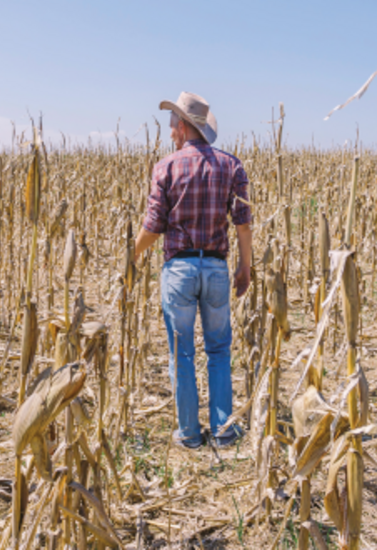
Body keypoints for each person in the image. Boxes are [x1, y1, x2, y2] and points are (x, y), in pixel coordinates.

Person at [133, 91, 252, 449]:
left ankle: (188, 434)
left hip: (180, 270)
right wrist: (245, 266)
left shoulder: (165, 167)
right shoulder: (231, 166)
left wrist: (131, 256)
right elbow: (243, 224)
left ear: (184, 126)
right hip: (216, 269)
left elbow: (154, 226)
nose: (170, 132)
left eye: (172, 124)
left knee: (181, 352)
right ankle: (223, 430)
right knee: (218, 350)